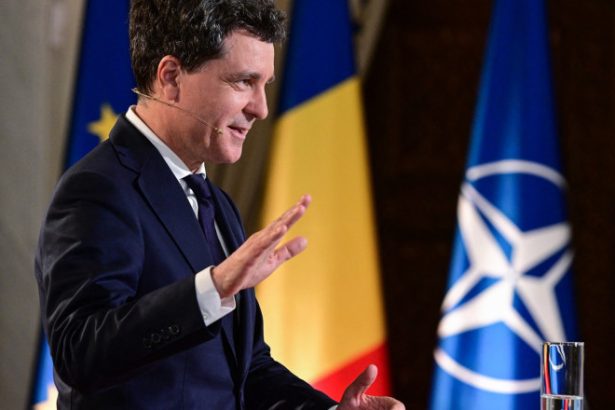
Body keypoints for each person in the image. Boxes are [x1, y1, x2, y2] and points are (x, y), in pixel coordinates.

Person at [35, 1, 405, 409]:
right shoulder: (98, 189)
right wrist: (211, 289)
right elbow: (79, 352)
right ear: (171, 77)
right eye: (244, 82)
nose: (261, 108)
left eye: (264, 84)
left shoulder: (217, 204)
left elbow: (247, 368)